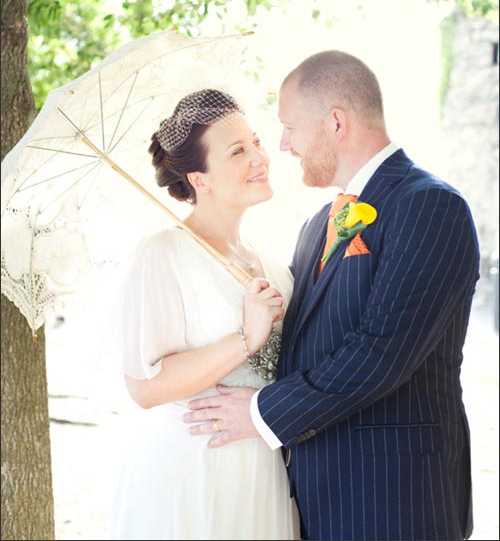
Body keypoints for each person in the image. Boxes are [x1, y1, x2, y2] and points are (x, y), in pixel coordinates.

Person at [183, 51, 480, 541]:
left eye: (290, 128)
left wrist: (261, 411)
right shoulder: (318, 224)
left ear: (335, 122)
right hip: (317, 495)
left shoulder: (429, 206)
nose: (282, 145)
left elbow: (381, 351)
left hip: (395, 495)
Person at [109, 88, 300, 540]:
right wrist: (245, 338)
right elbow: (144, 386)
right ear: (200, 179)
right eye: (238, 150)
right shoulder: (162, 254)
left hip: (261, 471)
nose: (260, 156)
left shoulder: (272, 265)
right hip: (191, 472)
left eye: (256, 141)